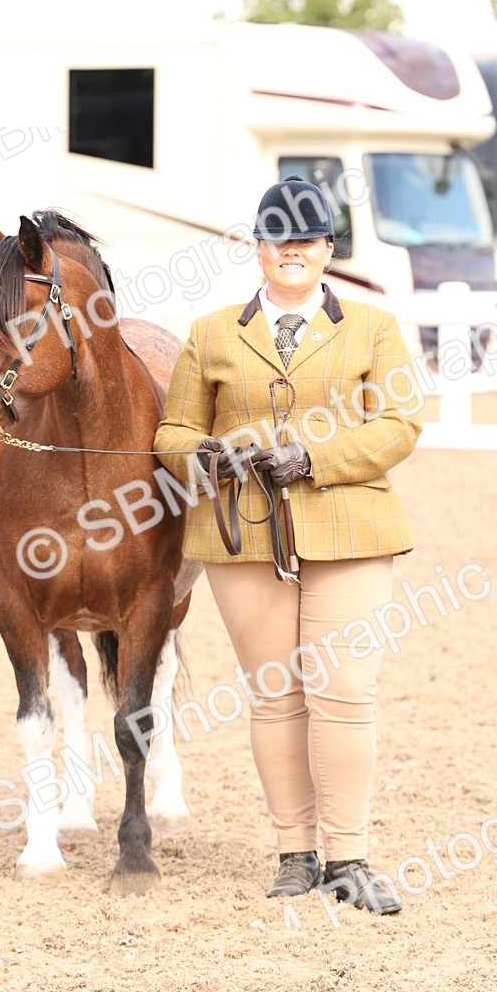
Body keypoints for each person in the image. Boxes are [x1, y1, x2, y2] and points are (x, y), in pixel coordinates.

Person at [153, 175, 423, 914]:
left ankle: (349, 856)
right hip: (244, 534)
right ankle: (294, 854)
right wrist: (204, 455)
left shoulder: (373, 327)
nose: (293, 251)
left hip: (349, 527)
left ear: (328, 249)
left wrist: (313, 459)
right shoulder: (211, 333)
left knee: (342, 694)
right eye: (280, 240)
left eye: (307, 240)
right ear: (259, 248)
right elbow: (171, 434)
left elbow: (399, 423)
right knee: (275, 698)